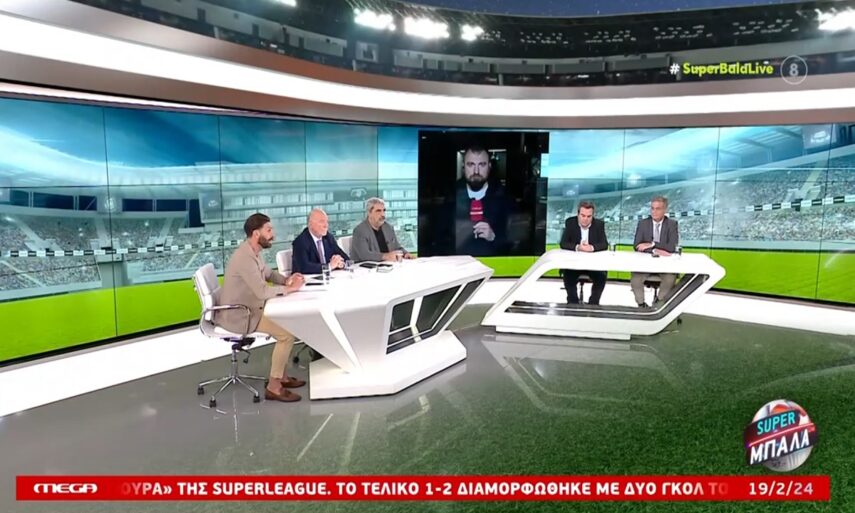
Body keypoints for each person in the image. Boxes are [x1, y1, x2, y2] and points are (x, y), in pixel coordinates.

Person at [217, 213, 306, 403]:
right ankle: (274, 387)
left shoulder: (254, 252)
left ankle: (281, 376)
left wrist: (286, 280)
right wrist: (289, 289)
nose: (273, 234)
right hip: (241, 315)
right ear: (256, 234)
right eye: (269, 230)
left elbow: (268, 274)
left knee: (288, 325)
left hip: (252, 308)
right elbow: (262, 291)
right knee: (286, 335)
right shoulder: (244, 258)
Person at [455, 145, 511, 256]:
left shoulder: (505, 200)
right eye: (471, 164)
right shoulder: (451, 199)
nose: (476, 171)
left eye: (482, 165)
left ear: (489, 166)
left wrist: (493, 237)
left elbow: (516, 243)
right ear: (463, 166)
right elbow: (438, 241)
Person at [630, 196, 680, 307]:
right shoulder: (643, 224)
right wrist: (656, 249)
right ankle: (641, 304)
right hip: (646, 264)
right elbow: (637, 245)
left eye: (658, 209)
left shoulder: (672, 224)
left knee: (670, 278)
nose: (654, 211)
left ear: (664, 210)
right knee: (635, 279)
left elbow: (672, 247)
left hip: (665, 265)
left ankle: (658, 302)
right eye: (652, 208)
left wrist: (651, 244)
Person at [559, 201, 609, 305]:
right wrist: (578, 247)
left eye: (589, 216)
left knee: (601, 276)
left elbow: (604, 244)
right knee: (568, 276)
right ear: (578, 214)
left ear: (592, 216)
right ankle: (573, 303)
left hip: (592, 264)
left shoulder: (599, 225)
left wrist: (591, 248)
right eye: (583, 215)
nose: (585, 219)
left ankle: (593, 304)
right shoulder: (570, 223)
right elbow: (563, 243)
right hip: (574, 264)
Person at [351, 197, 415, 262]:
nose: (382, 214)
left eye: (384, 210)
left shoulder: (388, 227)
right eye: (378, 211)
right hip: (365, 266)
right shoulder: (360, 230)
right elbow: (364, 255)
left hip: (388, 264)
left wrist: (405, 253)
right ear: (369, 213)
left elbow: (397, 247)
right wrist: (386, 256)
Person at [292, 208, 350, 274]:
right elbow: (304, 267)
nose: (326, 225)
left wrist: (340, 263)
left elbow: (346, 258)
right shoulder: (300, 242)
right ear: (310, 224)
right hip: (309, 279)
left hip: (328, 277)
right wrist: (329, 266)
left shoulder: (328, 237)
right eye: (322, 221)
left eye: (327, 222)